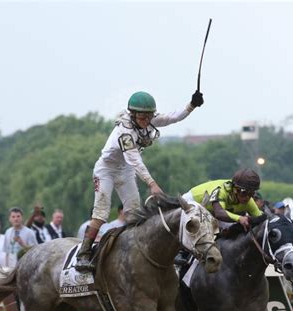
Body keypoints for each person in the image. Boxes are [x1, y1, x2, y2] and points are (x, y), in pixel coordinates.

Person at [76, 89, 204, 270]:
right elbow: (134, 159)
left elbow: (172, 118)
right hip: (106, 170)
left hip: (125, 170)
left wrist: (191, 106)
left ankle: (133, 250)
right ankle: (84, 252)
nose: (145, 121)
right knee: (101, 212)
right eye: (142, 118)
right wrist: (152, 184)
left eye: (148, 117)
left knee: (134, 213)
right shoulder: (124, 132)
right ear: (133, 114)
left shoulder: (148, 119)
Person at [183, 169, 264, 230]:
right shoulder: (221, 191)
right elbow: (219, 213)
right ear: (235, 189)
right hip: (191, 203)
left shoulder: (249, 202)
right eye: (244, 192)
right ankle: (182, 252)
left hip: (209, 213)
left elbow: (261, 218)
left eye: (251, 193)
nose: (247, 197)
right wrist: (239, 218)